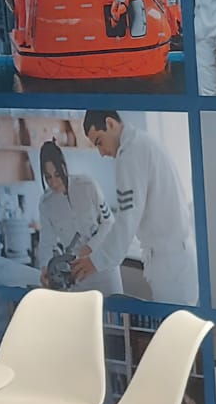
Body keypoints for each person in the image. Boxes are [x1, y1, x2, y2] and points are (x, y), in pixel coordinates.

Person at [73, 109, 198, 305]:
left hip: (170, 265)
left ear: (110, 124)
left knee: (173, 322)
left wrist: (96, 261)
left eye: (99, 142)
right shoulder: (144, 142)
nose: (101, 153)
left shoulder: (130, 154)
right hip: (176, 260)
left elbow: (127, 219)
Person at [37, 140, 121, 295]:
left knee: (114, 308)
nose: (53, 182)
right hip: (78, 275)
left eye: (57, 174)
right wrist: (44, 269)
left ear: (64, 167)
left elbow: (108, 222)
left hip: (104, 266)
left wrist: (90, 247)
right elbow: (46, 243)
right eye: (48, 177)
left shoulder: (87, 186)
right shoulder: (46, 204)